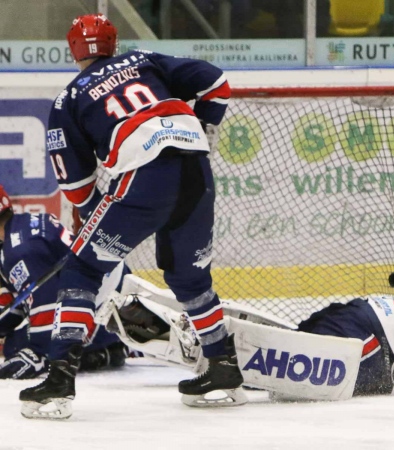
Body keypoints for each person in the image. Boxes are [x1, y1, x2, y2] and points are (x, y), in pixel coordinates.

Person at [19, 13, 243, 419]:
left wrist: (91, 223)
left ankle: (58, 379)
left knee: (82, 270)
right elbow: (216, 83)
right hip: (197, 173)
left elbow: (77, 184)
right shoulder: (143, 60)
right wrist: (206, 130)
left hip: (145, 177)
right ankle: (223, 366)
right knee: (189, 278)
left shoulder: (68, 99)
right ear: (112, 41)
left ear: (73, 48)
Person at [103, 276, 394, 399]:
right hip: (369, 344)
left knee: (276, 355)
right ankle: (172, 331)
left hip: (366, 325)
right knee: (265, 370)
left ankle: (185, 328)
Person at [0, 185, 129, 380]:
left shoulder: (21, 250)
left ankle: (109, 345)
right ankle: (106, 346)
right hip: (105, 286)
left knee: (17, 346)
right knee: (14, 343)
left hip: (105, 302)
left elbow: (46, 300)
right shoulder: (18, 230)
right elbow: (20, 299)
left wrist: (39, 353)